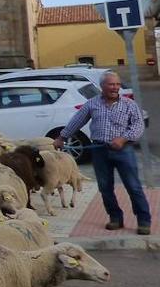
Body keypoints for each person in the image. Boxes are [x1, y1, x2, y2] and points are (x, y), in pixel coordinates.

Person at [55, 71, 151, 235]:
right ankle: (115, 218)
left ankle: (144, 221)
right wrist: (62, 137)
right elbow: (77, 121)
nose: (115, 88)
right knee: (105, 188)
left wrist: (123, 139)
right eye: (111, 84)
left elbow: (137, 125)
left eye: (117, 84)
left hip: (124, 151)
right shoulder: (92, 104)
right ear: (102, 86)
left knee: (133, 187)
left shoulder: (129, 104)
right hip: (100, 151)